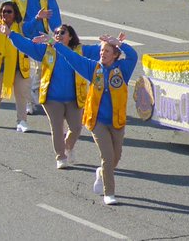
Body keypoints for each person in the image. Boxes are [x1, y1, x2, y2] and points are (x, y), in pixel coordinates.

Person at [54, 32, 137, 205]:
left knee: (115, 158)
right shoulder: (93, 68)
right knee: (107, 156)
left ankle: (101, 173)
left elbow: (133, 56)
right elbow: (73, 57)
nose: (102, 53)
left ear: (115, 55)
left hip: (117, 121)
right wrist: (55, 44)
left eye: (107, 51)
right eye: (101, 50)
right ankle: (109, 193)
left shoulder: (123, 69)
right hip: (97, 121)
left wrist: (119, 43)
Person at [8, 23, 94, 168]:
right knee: (57, 128)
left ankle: (68, 147)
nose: (58, 35)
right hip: (52, 99)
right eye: (56, 33)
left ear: (70, 36)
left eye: (62, 32)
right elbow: (27, 45)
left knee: (76, 128)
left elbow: (101, 51)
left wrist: (117, 45)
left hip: (75, 98)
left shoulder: (81, 50)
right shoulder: (46, 50)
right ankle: (60, 157)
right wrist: (11, 34)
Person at [0, 1, 31, 132]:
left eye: (9, 11)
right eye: (3, 11)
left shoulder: (21, 27)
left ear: (15, 14)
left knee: (21, 95)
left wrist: (38, 18)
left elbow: (33, 28)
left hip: (20, 66)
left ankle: (21, 121)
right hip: (0, 67)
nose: (6, 14)